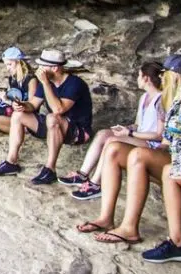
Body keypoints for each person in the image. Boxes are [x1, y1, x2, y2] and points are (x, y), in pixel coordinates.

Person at [76, 67, 181, 245]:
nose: (162, 79)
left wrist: (134, 137)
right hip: (171, 155)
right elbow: (166, 141)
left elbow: (162, 137)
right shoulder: (173, 102)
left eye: (166, 75)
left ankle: (129, 228)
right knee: (113, 148)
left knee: (138, 154)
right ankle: (106, 217)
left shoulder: (174, 100)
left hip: (180, 161)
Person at [59, 62, 166, 200]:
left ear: (146, 78)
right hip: (139, 137)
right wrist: (126, 128)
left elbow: (159, 135)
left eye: (139, 75)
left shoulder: (161, 100)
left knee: (112, 140)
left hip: (152, 144)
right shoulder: (144, 97)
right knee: (103, 134)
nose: (137, 79)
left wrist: (130, 134)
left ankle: (96, 184)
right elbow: (138, 124)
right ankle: (82, 174)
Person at [0, 49, 92, 184]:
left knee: (52, 117)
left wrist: (45, 83)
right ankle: (11, 162)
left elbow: (58, 109)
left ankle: (50, 170)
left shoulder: (74, 83)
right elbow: (33, 105)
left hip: (78, 131)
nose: (39, 69)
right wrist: (23, 106)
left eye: (43, 66)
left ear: (54, 68)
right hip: (54, 128)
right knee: (18, 115)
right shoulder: (45, 82)